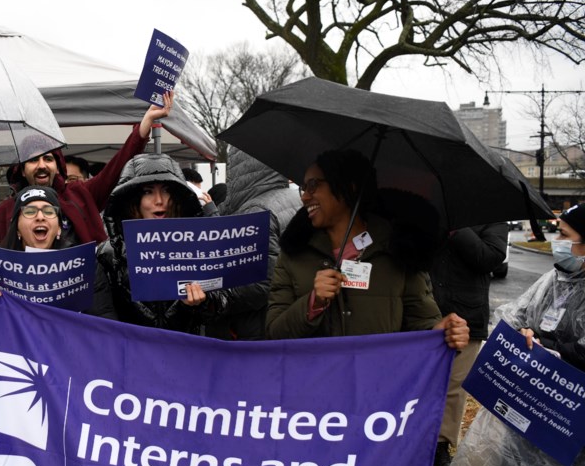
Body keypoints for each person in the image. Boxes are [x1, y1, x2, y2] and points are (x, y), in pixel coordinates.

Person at [265, 148, 468, 351]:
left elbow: (422, 324)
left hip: (379, 381)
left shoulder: (400, 249)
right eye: (303, 188)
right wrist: (313, 303)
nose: (305, 197)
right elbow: (275, 333)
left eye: (313, 185)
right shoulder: (293, 254)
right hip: (316, 380)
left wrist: (443, 332)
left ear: (349, 187)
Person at [495, 204, 585, 466]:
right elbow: (515, 314)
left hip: (576, 431)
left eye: (564, 235)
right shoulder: (556, 279)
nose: (556, 242)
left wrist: (557, 352)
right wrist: (524, 335)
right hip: (540, 421)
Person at [0, 92, 174, 246]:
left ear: (58, 166)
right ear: (22, 169)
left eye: (48, 159)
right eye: (33, 160)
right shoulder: (4, 211)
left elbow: (116, 169)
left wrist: (144, 125)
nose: (42, 165)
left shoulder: (81, 194)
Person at [97, 153, 235, 334]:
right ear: (132, 200)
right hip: (131, 356)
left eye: (166, 190)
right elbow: (101, 318)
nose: (159, 200)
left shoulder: (198, 246)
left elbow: (222, 303)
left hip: (185, 353)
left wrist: (203, 302)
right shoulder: (108, 253)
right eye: (148, 191)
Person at [429, 223, 509, 466]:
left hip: (467, 317)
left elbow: (490, 258)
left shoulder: (494, 216)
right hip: (423, 312)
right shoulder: (428, 211)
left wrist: (456, 226)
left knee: (453, 387)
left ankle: (441, 445)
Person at [205, 146, 301, 340]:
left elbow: (259, 284)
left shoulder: (256, 211)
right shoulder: (294, 197)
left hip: (254, 328)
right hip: (286, 320)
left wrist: (216, 299)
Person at [0, 185, 115, 319]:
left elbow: (104, 321)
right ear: (17, 229)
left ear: (59, 229)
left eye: (49, 211)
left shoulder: (86, 267)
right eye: (30, 212)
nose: (40, 217)